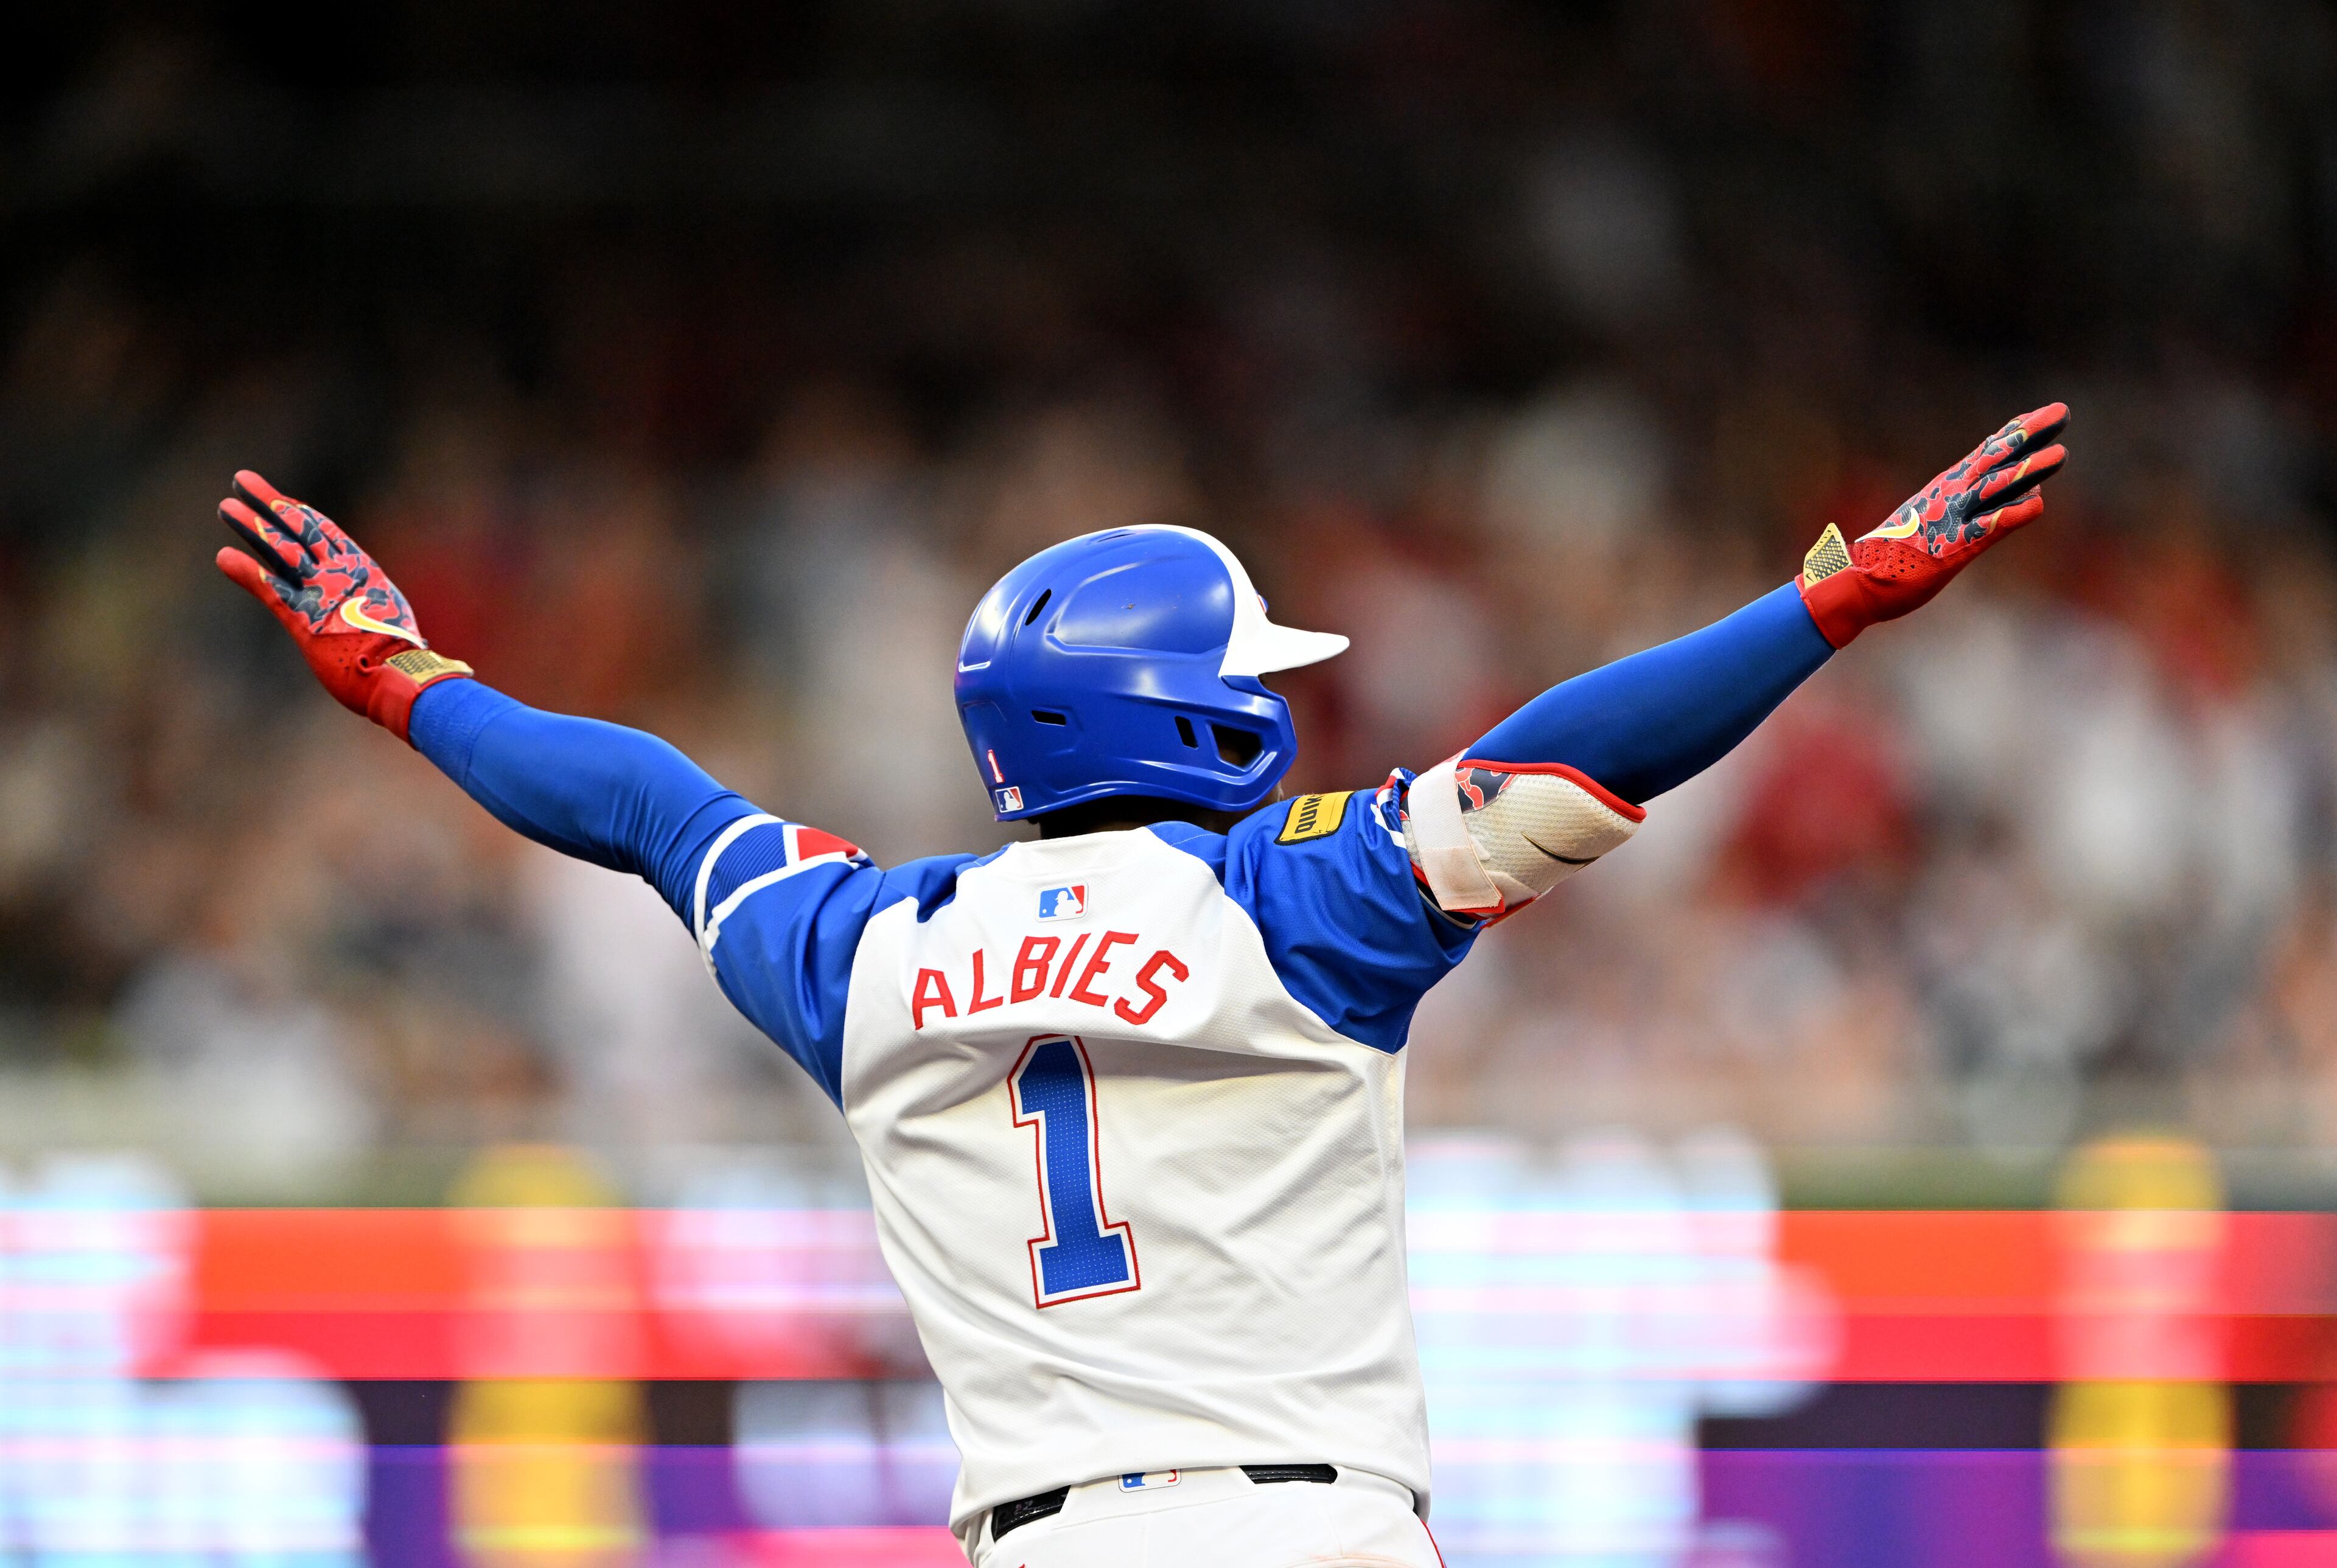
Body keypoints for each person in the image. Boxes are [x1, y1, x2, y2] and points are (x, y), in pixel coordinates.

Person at [212, 404, 2067, 1567]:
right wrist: (1817, 612)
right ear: (1202, 708)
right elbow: (1572, 761)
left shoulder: (864, 944)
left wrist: (415, 688)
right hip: (1307, 1529)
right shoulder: (1303, 899)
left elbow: (638, 804)